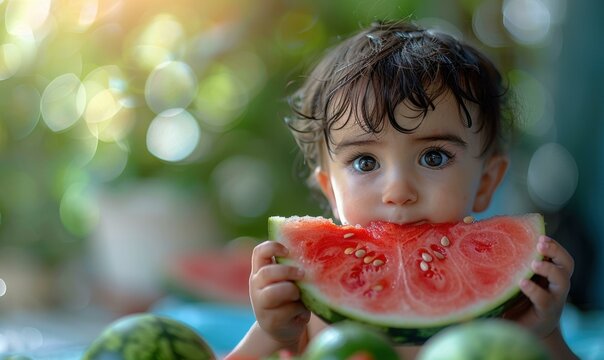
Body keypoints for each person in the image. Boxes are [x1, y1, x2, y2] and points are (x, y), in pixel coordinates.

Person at [227, 20, 577, 359]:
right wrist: (275, 334)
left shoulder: (507, 310)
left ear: (486, 181)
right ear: (330, 190)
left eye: (434, 157)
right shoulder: (307, 309)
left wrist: (543, 333)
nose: (398, 190)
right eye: (365, 162)